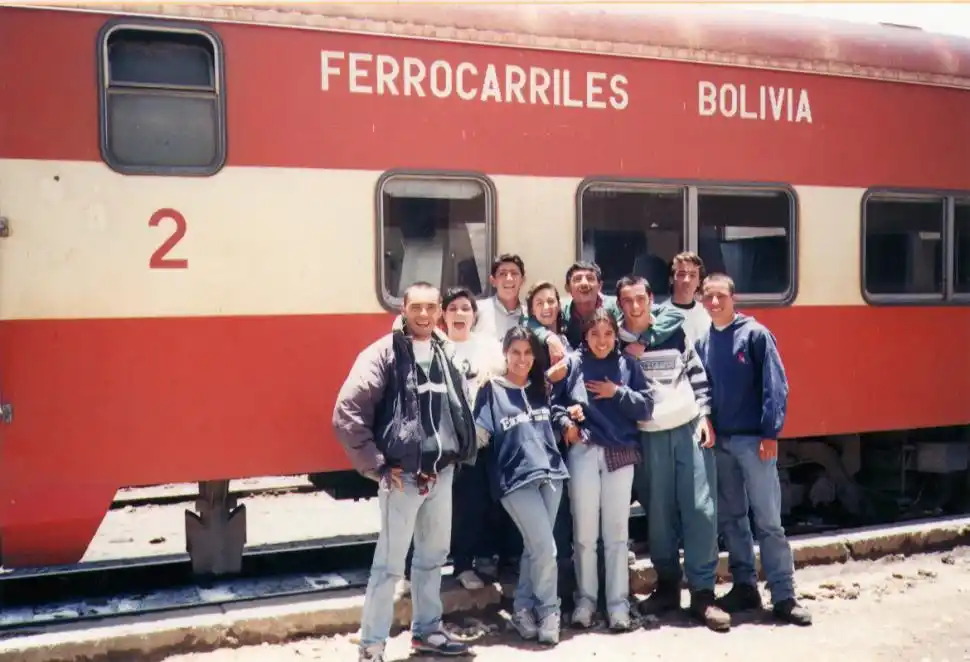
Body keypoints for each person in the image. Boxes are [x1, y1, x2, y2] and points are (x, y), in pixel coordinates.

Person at [332, 281, 477, 662]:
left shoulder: (446, 351)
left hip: (441, 472)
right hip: (402, 475)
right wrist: (377, 464)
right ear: (403, 310)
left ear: (440, 310)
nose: (424, 315)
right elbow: (347, 413)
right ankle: (372, 645)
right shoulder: (383, 353)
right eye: (416, 308)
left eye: (431, 307)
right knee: (389, 566)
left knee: (433, 557)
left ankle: (427, 632)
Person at [695, 273, 812, 626]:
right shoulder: (704, 342)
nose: (714, 302)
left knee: (768, 520)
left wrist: (770, 433)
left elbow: (775, 386)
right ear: (702, 300)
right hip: (722, 443)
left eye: (721, 296)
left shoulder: (756, 335)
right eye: (708, 296)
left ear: (734, 297)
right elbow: (704, 390)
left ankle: (784, 595)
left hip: (754, 441)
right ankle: (745, 585)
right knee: (732, 518)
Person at [617, 275, 729, 632]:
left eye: (641, 298)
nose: (635, 306)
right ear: (619, 305)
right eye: (627, 300)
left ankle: (703, 595)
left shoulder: (673, 331)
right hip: (648, 436)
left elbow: (697, 374)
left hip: (688, 427)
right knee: (658, 513)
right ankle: (667, 587)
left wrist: (705, 415)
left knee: (701, 508)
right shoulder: (615, 341)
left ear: (651, 299)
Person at [473, 325, 575, 645]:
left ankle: (521, 609)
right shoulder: (490, 390)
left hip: (552, 474)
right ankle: (549, 610)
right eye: (515, 352)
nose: (522, 359)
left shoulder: (541, 387)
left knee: (535, 548)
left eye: (528, 352)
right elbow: (478, 434)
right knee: (546, 548)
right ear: (505, 354)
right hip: (515, 479)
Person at [555, 309, 653, 631]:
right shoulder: (574, 364)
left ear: (616, 336)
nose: (601, 341)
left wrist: (617, 392)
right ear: (585, 336)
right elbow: (555, 403)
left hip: (620, 454)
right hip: (583, 451)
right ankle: (585, 601)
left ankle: (618, 605)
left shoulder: (628, 365)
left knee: (617, 534)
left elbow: (646, 407)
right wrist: (566, 422)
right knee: (584, 534)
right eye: (594, 334)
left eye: (608, 334)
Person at [439, 287, 505, 590]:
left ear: (474, 315)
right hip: (444, 442)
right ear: (443, 315)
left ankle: (465, 565)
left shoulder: (488, 347)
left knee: (473, 504)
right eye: (452, 308)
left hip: (479, 440)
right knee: (438, 506)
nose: (459, 314)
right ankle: (415, 571)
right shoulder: (437, 348)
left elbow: (503, 380)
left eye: (465, 308)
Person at [524, 280, 575, 582]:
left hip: (565, 431)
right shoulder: (526, 339)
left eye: (551, 301)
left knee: (564, 507)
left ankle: (563, 580)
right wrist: (547, 378)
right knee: (544, 512)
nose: (546, 307)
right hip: (539, 434)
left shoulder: (565, 339)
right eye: (539, 302)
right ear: (531, 310)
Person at [474, 254, 528, 342]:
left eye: (514, 273)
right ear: (493, 281)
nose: (509, 279)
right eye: (502, 274)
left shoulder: (529, 315)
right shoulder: (477, 310)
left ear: (522, 280)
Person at [666, 251, 712, 344]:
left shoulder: (709, 313)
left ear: (699, 281)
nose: (687, 280)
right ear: (671, 279)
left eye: (692, 275)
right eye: (681, 274)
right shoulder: (661, 314)